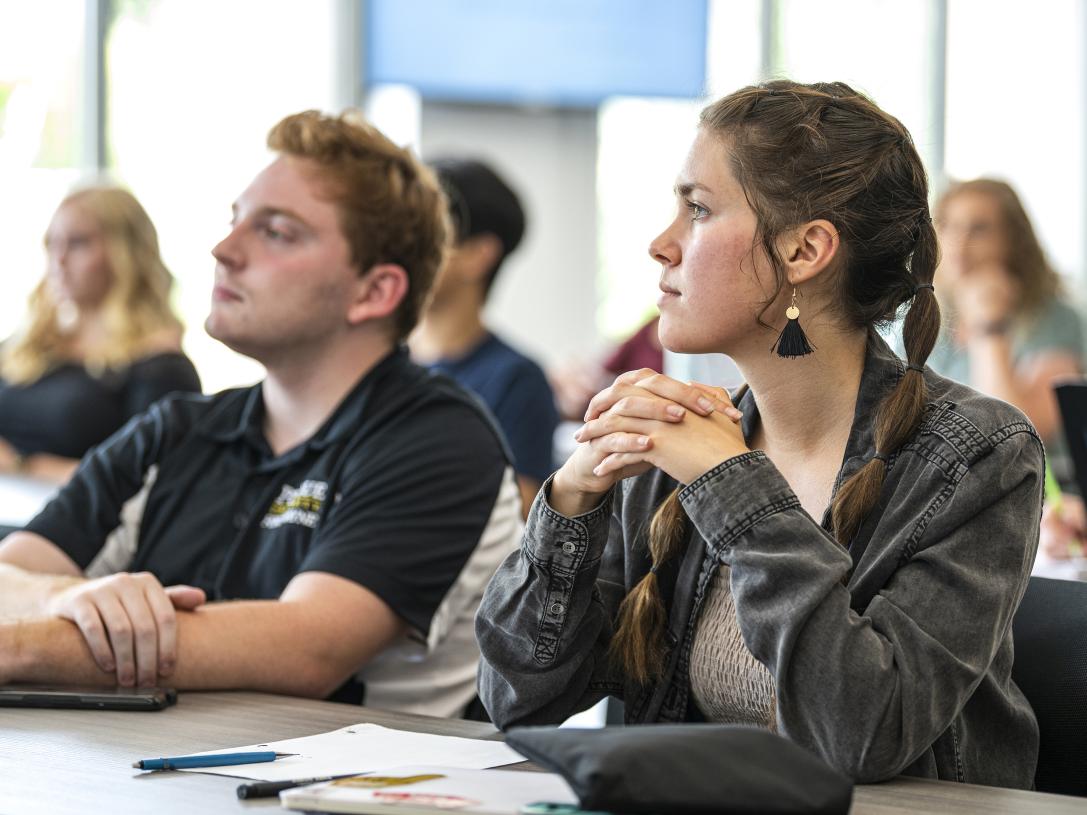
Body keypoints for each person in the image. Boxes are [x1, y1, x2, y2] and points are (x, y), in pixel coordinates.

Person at [476, 80, 1042, 788]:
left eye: (698, 210)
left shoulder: (977, 453)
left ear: (804, 251)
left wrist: (730, 488)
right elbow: (516, 698)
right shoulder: (677, 446)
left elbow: (863, 733)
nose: (660, 245)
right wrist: (572, 500)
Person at [0, 111, 521, 717]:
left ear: (374, 292)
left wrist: (24, 641)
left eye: (276, 232)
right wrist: (76, 597)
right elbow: (9, 576)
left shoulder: (440, 437)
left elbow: (306, 648)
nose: (224, 250)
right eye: (235, 220)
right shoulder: (176, 429)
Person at [0, 187, 201, 484]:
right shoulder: (27, 345)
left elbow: (148, 484)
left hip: (64, 524)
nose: (60, 259)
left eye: (78, 243)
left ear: (126, 253)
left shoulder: (160, 369)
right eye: (52, 244)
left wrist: (23, 466)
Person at [411, 158, 559, 516]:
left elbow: (521, 507)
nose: (402, 249)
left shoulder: (516, 379)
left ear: (478, 254)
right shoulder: (375, 362)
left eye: (424, 234)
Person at [929, 178, 1084, 483]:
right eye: (949, 226)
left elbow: (1012, 440)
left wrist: (989, 327)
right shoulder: (928, 320)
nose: (959, 244)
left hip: (1034, 501)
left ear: (1013, 240)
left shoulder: (1056, 319)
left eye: (979, 229)